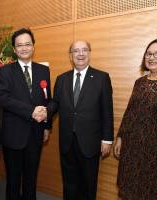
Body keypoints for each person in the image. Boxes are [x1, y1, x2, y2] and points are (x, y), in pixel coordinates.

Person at [46, 40, 114, 200]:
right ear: (71, 56)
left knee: (88, 184)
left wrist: (107, 139)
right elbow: (55, 103)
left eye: (84, 50)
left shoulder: (101, 78)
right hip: (67, 141)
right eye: (76, 51)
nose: (80, 54)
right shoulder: (62, 79)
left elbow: (107, 111)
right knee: (69, 183)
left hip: (90, 142)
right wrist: (45, 111)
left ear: (89, 53)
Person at [0, 28, 52, 200]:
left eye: (27, 44)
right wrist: (31, 111)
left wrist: (47, 126)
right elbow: (3, 99)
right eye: (19, 45)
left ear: (33, 46)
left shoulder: (43, 70)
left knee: (31, 179)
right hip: (13, 135)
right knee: (13, 181)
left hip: (35, 133)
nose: (24, 48)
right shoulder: (5, 71)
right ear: (14, 49)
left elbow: (46, 99)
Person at [114, 39, 157, 200]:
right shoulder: (139, 83)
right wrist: (120, 137)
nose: (152, 58)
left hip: (153, 150)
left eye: (156, 54)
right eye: (149, 54)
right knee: (130, 188)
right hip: (132, 148)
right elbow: (129, 112)